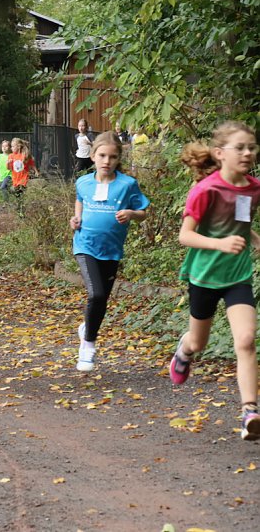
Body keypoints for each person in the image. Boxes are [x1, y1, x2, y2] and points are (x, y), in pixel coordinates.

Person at [169, 120, 260, 441]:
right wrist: (221, 244)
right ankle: (185, 349)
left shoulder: (253, 187)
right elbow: (185, 236)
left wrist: (254, 239)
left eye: (252, 147)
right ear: (220, 153)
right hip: (204, 276)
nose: (248, 152)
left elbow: (239, 220)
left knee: (246, 339)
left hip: (237, 275)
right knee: (199, 342)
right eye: (240, 147)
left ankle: (250, 411)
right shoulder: (205, 190)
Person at [69, 131, 149, 372]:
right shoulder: (83, 182)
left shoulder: (127, 184)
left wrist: (132, 214)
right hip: (85, 246)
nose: (107, 161)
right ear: (92, 156)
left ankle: (87, 328)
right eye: (102, 155)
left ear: (118, 159)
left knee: (102, 298)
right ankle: (88, 347)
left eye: (112, 157)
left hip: (112, 250)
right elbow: (79, 200)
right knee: (95, 295)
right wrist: (76, 218)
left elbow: (142, 211)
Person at [9, 138, 39, 213]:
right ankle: (20, 206)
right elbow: (9, 168)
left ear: (18, 147)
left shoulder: (24, 155)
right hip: (15, 179)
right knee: (17, 193)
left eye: (13, 146)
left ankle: (21, 209)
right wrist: (8, 163)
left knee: (21, 192)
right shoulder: (11, 156)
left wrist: (36, 171)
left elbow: (32, 163)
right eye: (11, 146)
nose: (11, 148)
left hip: (23, 179)